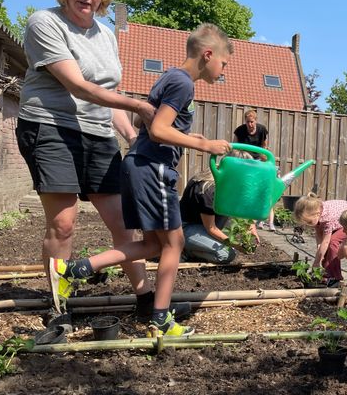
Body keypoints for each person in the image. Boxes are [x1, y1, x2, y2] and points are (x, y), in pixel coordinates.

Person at [48, 23, 234, 336]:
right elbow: (159, 130)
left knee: (151, 244)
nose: (223, 70)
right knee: (174, 243)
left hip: (139, 165)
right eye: (224, 63)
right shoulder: (184, 84)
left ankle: (73, 269)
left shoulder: (169, 76)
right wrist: (205, 145)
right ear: (207, 54)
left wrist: (186, 135)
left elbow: (143, 119)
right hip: (153, 169)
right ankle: (161, 320)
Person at [16, 0, 164, 318]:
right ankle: (58, 304)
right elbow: (79, 86)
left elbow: (107, 91)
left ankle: (144, 299)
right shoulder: (44, 23)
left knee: (123, 223)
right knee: (64, 223)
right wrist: (140, 106)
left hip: (97, 134)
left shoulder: (106, 34)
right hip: (50, 127)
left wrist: (132, 136)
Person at [179, 149, 260, 263]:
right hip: (185, 228)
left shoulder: (230, 182)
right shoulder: (208, 188)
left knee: (232, 233)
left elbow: (243, 206)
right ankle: (185, 249)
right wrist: (236, 245)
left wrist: (251, 226)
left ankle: (199, 245)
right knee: (226, 254)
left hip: (206, 225)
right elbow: (211, 228)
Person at [293, 194, 347, 286]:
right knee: (323, 249)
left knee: (332, 242)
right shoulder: (317, 212)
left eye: (309, 222)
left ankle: (336, 278)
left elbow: (325, 242)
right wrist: (319, 248)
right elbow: (318, 232)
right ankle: (326, 274)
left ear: (318, 214)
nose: (308, 225)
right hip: (339, 220)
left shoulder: (327, 218)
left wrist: (316, 262)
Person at [233, 109, 275, 231]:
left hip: (257, 159)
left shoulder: (262, 130)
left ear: (255, 121)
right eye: (247, 122)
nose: (250, 125)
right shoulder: (240, 131)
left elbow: (264, 145)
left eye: (252, 122)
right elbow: (234, 146)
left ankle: (258, 218)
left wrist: (264, 157)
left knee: (258, 187)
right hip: (244, 159)